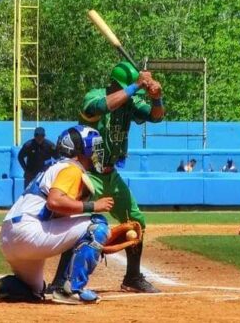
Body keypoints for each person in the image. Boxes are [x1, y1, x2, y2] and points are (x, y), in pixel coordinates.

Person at [45, 60, 165, 294]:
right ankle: (60, 281)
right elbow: (99, 107)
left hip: (111, 174)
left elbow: (156, 116)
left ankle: (132, 277)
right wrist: (135, 86)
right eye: (128, 86)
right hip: (88, 173)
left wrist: (156, 96)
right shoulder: (95, 95)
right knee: (78, 224)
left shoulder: (130, 102)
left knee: (136, 220)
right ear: (116, 83)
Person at [0, 125, 114, 305]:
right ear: (82, 149)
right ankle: (71, 290)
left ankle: (0, 286)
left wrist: (96, 244)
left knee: (34, 292)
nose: (96, 151)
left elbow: (58, 213)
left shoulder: (54, 168)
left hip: (9, 237)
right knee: (97, 224)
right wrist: (94, 206)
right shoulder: (72, 169)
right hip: (29, 231)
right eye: (93, 146)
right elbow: (54, 202)